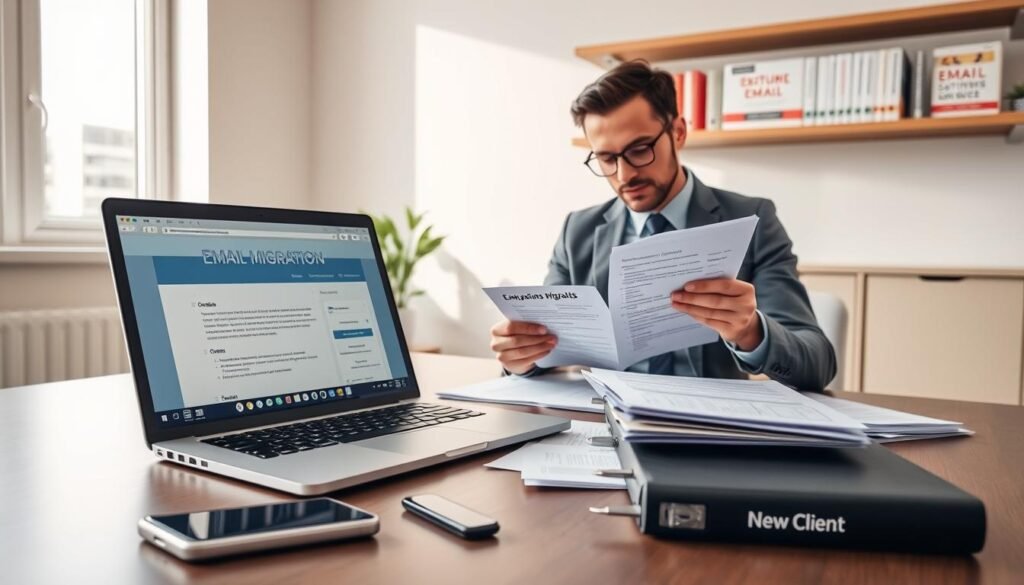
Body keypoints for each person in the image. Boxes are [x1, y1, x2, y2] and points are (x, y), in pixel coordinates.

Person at [489, 60, 835, 391]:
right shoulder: (577, 231)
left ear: (678, 133)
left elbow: (817, 364)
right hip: (602, 424)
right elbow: (548, 348)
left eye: (640, 150)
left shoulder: (751, 220)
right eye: (607, 159)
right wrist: (522, 357)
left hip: (707, 432)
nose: (625, 175)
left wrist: (750, 331)